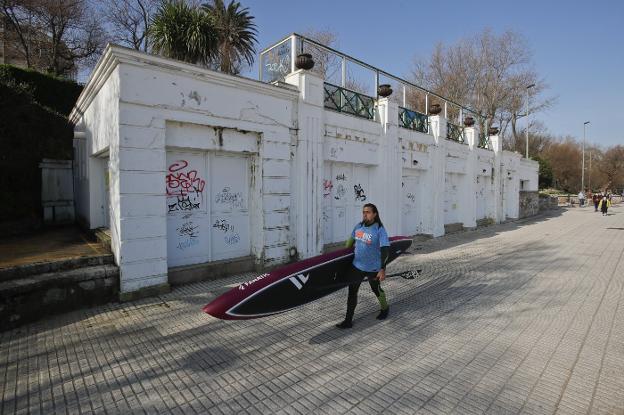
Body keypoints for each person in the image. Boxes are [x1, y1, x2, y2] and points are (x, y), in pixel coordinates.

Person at [336, 203, 390, 329]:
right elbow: (348, 244)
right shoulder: (358, 227)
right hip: (357, 267)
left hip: (373, 268)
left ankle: (385, 308)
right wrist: (341, 260)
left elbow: (385, 250)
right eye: (363, 212)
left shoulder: (379, 229)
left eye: (368, 212)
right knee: (352, 292)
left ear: (374, 214)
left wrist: (382, 269)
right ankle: (348, 320)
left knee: (376, 289)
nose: (365, 214)